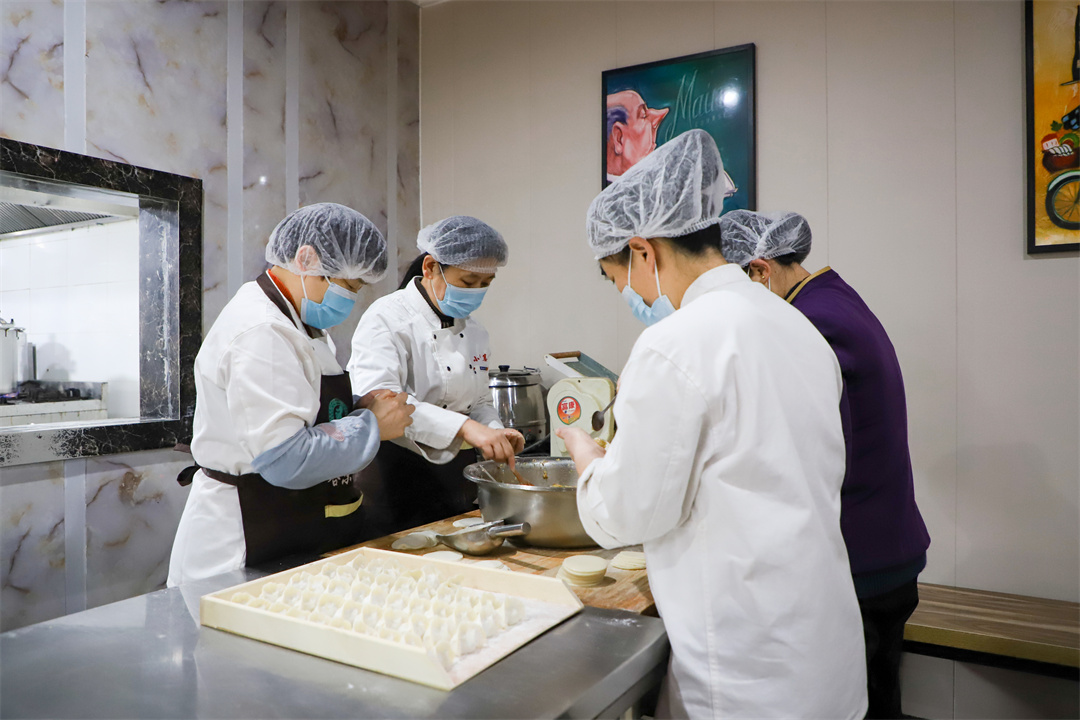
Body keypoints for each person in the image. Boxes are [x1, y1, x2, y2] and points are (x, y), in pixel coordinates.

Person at [557, 129, 867, 718]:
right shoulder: (794, 325)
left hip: (748, 673)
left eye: (617, 278)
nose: (626, 294)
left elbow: (629, 514)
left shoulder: (673, 344)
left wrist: (589, 460)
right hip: (824, 652)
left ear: (643, 251)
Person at [720, 209, 931, 720]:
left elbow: (791, 445)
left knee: (860, 705)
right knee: (880, 698)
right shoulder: (833, 296)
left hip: (860, 556)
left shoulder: (811, 322)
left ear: (759, 271)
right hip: (886, 542)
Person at [167, 203, 414, 587]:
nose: (351, 299)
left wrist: (355, 410)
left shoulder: (297, 321)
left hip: (284, 518)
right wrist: (371, 426)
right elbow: (284, 457)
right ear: (306, 259)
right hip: (243, 534)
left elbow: (300, 413)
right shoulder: (262, 330)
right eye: (349, 286)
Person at [346, 215, 524, 537]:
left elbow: (479, 401)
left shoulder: (475, 331)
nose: (477, 292)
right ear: (430, 268)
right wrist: (467, 428)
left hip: (452, 477)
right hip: (394, 474)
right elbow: (382, 402)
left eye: (486, 283)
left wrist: (494, 432)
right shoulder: (386, 318)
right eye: (468, 282)